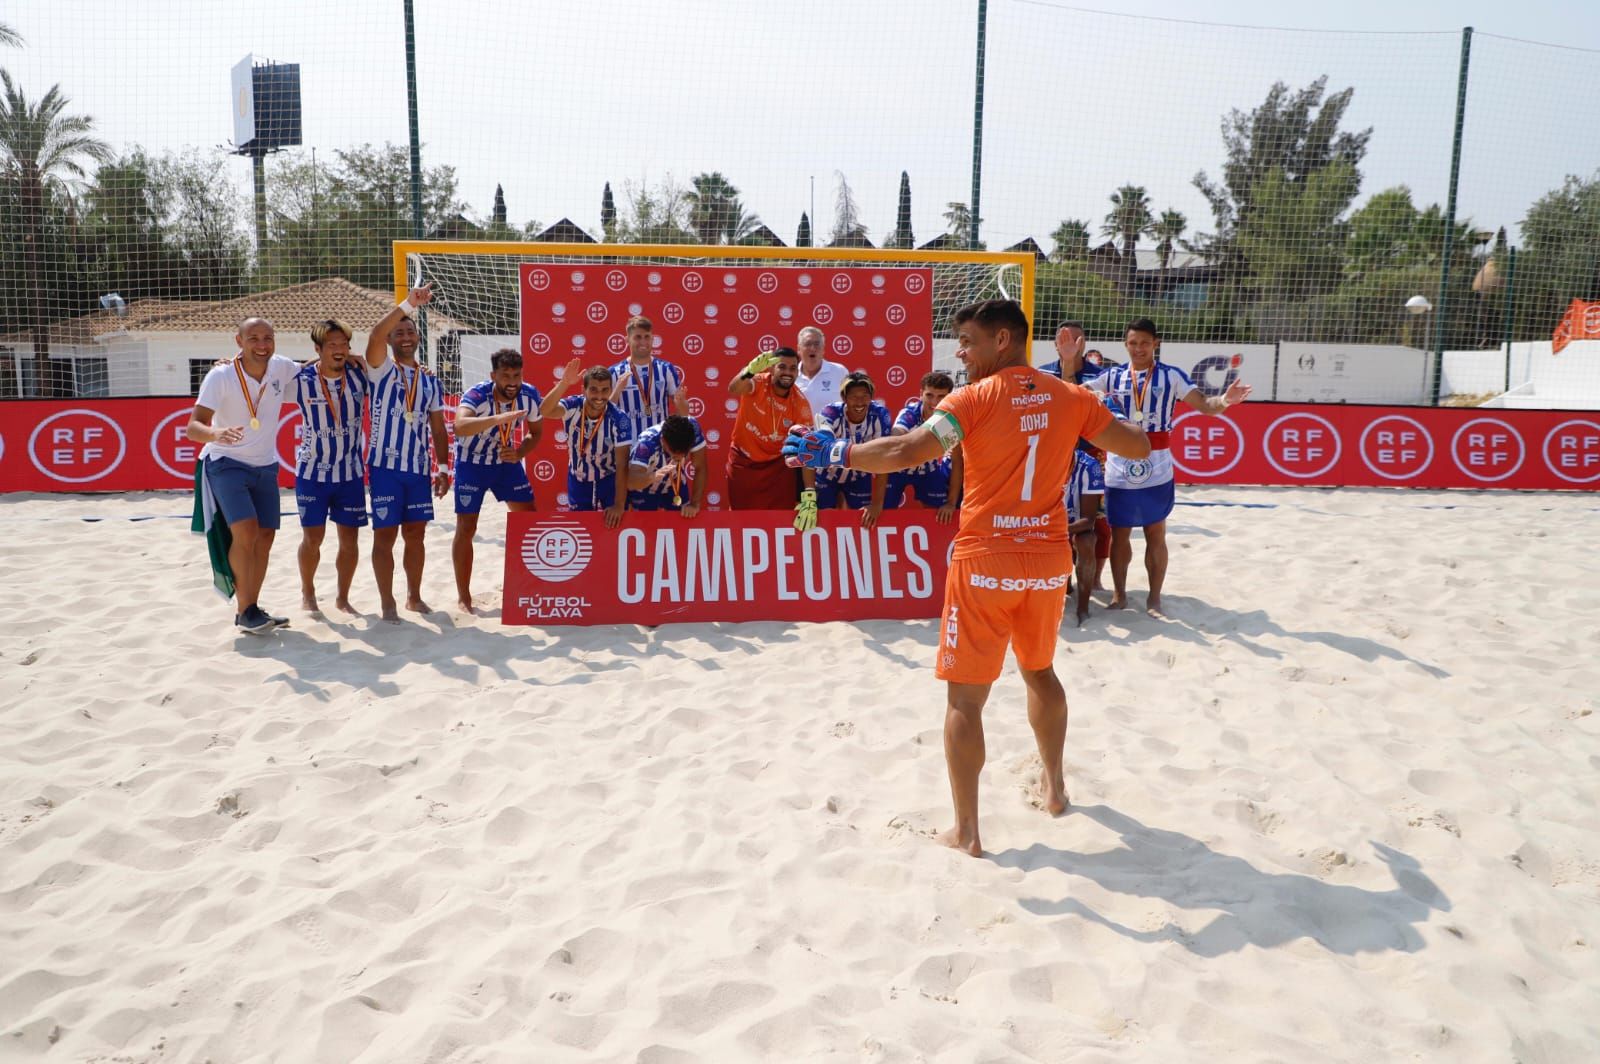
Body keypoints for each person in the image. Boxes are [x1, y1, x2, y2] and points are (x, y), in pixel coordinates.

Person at [783, 298, 1150, 857]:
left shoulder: (972, 399)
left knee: (965, 702)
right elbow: (1137, 446)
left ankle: (969, 832)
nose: (959, 350)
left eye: (967, 340)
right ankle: (1054, 788)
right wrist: (1108, 410)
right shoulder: (1072, 398)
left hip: (986, 559)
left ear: (1003, 341)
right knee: (1041, 672)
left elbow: (907, 450)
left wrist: (838, 450)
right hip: (1048, 561)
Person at [1088, 317, 1251, 615]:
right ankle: (1119, 596)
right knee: (1119, 533)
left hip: (1158, 464)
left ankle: (1154, 598)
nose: (1139, 349)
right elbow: (1074, 394)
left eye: (1145, 343)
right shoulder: (1111, 377)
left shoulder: (1171, 376)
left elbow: (1205, 405)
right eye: (1133, 343)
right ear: (1126, 344)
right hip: (1119, 465)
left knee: (1155, 532)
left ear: (1156, 344)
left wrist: (1226, 400)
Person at [186, 317, 301, 634]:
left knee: (266, 537)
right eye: (254, 338)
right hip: (226, 462)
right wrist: (215, 432)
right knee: (247, 531)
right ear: (239, 341)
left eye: (268, 337)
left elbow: (319, 370)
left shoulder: (281, 367)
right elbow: (192, 427)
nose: (262, 345)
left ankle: (251, 608)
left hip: (266, 465)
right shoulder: (220, 375)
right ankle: (245, 609)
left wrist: (354, 358)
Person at [363, 284, 451, 624]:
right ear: (390, 339)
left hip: (417, 469)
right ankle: (388, 601)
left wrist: (443, 468)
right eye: (398, 331)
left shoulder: (429, 381)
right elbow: (374, 333)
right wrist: (407, 305)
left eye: (410, 331)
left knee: (416, 534)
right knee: (384, 535)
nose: (404, 335)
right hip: (385, 467)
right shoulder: (380, 368)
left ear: (417, 338)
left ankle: (414, 597)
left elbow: (439, 429)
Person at [452, 349, 544, 612]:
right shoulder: (477, 394)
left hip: (506, 462)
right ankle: (464, 596)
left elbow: (536, 433)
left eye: (517, 375)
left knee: (529, 520)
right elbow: (459, 426)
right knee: (466, 528)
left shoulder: (529, 394)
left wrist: (520, 453)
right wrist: (498, 418)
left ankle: (529, 586)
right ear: (493, 376)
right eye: (505, 376)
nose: (512, 382)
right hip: (472, 463)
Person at [292, 318, 369, 615]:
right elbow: (262, 379)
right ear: (318, 349)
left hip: (350, 473)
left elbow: (390, 372)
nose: (339, 350)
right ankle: (308, 593)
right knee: (313, 539)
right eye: (331, 345)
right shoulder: (300, 379)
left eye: (343, 344)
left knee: (350, 541)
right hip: (312, 473)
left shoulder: (360, 376)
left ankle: (342, 597)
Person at [541, 358, 634, 527]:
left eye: (605, 390)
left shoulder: (620, 419)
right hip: (578, 478)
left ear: (610, 390)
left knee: (613, 527)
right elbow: (545, 410)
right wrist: (564, 383)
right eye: (593, 390)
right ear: (583, 389)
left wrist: (619, 505)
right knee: (580, 528)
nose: (599, 396)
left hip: (609, 479)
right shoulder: (572, 406)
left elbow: (622, 465)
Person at [726, 347, 815, 521]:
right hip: (744, 462)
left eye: (792, 368)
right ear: (771, 368)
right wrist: (749, 371)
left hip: (777, 468)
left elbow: (806, 451)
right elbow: (734, 388)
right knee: (741, 520)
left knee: (780, 521)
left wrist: (810, 494)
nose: (787, 373)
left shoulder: (801, 404)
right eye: (782, 367)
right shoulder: (757, 382)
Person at [813, 371, 892, 525]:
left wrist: (877, 504)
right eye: (853, 396)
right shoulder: (830, 412)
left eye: (864, 396)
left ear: (871, 397)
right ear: (844, 398)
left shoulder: (880, 415)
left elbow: (884, 458)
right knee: (823, 518)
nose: (859, 402)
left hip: (859, 473)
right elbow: (812, 450)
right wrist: (809, 493)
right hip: (827, 473)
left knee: (862, 518)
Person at [886, 371, 962, 523]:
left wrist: (951, 503)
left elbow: (957, 461)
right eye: (929, 395)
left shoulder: (948, 421)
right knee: (883, 511)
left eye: (941, 396)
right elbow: (894, 439)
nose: (934, 402)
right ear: (921, 394)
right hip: (898, 468)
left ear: (949, 397)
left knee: (940, 513)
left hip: (929, 469)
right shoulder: (909, 414)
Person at [609, 315, 689, 442]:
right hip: (627, 446)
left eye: (647, 337)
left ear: (652, 339)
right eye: (637, 337)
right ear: (627, 340)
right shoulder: (614, 373)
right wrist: (617, 391)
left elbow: (683, 411)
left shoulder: (666, 369)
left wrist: (682, 404)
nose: (643, 342)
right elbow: (605, 412)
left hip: (660, 444)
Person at [627, 414, 708, 516]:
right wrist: (654, 476)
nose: (679, 457)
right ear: (663, 440)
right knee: (645, 526)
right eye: (674, 452)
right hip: (645, 485)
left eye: (684, 453)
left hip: (675, 481)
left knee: (683, 523)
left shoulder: (692, 428)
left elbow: (700, 466)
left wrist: (695, 504)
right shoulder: (646, 443)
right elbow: (630, 482)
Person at [1065, 447, 1105, 627]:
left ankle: (1083, 609)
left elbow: (1088, 520)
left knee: (1087, 541)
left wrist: (1060, 530)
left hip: (1073, 526)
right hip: (1047, 525)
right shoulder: (1038, 459)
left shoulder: (1089, 465)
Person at [794, 325, 849, 414]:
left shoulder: (840, 372)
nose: (813, 348)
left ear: (823, 349)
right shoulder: (791, 375)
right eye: (808, 344)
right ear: (799, 349)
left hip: (831, 428)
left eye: (817, 344)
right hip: (799, 428)